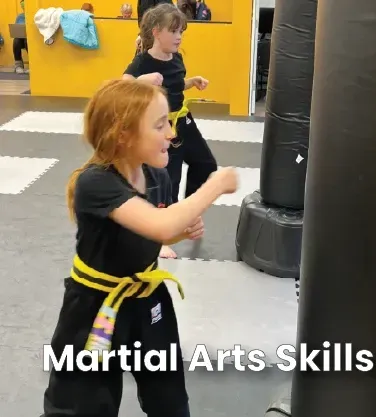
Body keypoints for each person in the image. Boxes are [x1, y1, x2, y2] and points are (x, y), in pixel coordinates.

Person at [40, 79, 238, 417]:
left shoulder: (157, 177)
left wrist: (177, 233)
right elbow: (161, 224)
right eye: (160, 125)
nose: (172, 133)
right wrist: (214, 185)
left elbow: (153, 230)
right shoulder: (95, 183)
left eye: (169, 122)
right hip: (95, 308)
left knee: (169, 396)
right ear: (123, 135)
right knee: (80, 402)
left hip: (147, 298)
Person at [123, 3, 218, 259]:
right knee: (168, 183)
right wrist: (142, 81)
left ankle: (188, 211)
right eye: (174, 31)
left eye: (181, 32)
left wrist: (192, 81)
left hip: (184, 121)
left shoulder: (177, 57)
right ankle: (160, 238)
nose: (179, 37)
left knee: (206, 164)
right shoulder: (143, 61)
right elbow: (123, 85)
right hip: (164, 130)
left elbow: (175, 85)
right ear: (156, 32)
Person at [13, 0, 28, 74]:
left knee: (26, 40)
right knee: (16, 40)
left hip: (31, 40)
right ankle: (18, 65)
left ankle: (33, 65)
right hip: (21, 39)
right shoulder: (20, 17)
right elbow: (17, 29)